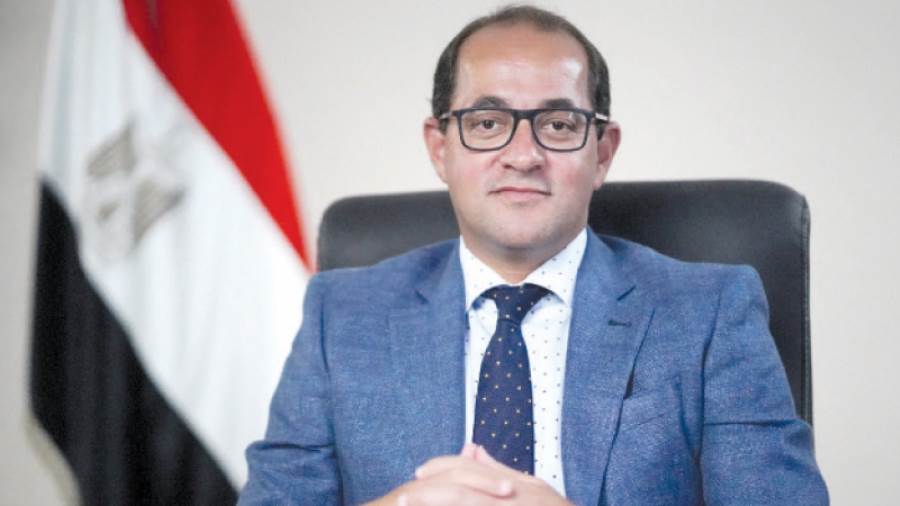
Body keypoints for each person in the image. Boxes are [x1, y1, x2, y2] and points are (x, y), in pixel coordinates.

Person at [240, 6, 828, 505]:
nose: (523, 155)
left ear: (602, 153)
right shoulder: (342, 314)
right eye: (487, 122)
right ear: (440, 148)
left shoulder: (709, 311)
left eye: (559, 124)